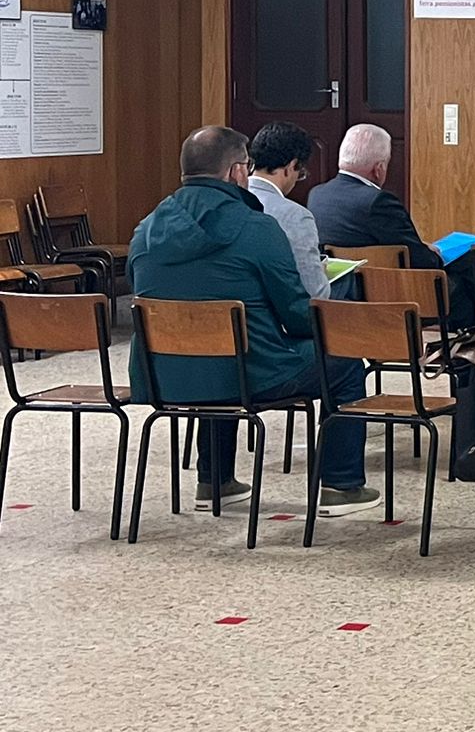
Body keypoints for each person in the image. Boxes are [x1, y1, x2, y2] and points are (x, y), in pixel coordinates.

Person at [127, 126, 376, 516]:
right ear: (236, 172)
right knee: (343, 364)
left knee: (216, 354)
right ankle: (341, 485)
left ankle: (215, 481)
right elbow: (298, 315)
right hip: (249, 373)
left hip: (162, 374)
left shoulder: (145, 229)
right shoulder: (257, 228)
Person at [308, 124, 475, 326]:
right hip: (390, 294)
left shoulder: (317, 195)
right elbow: (421, 262)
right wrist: (433, 255)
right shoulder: (378, 202)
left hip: (340, 294)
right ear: (379, 168)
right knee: (467, 264)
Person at [247, 121, 332, 302]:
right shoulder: (295, 216)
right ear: (290, 166)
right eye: (300, 174)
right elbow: (314, 293)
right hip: (272, 315)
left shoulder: (226, 201)